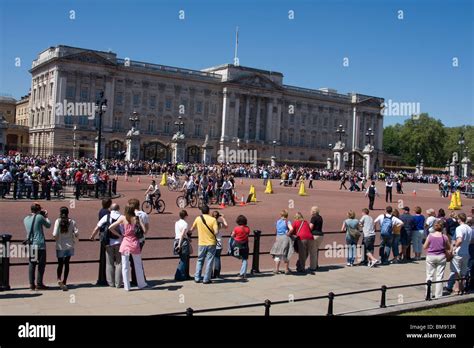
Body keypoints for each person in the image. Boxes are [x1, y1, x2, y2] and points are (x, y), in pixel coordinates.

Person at [108, 204, 148, 291]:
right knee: (138, 265)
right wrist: (140, 221)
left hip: (125, 243)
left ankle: (127, 286)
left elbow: (110, 227)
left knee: (125, 265)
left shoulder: (122, 218)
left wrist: (120, 235)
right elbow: (144, 231)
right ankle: (141, 284)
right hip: (134, 243)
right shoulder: (136, 218)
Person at [90, 203, 122, 288]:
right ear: (118, 209)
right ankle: (118, 283)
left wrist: (92, 236)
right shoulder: (122, 217)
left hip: (108, 242)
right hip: (119, 242)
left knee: (109, 263)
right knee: (119, 263)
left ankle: (111, 283)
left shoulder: (106, 217)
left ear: (110, 209)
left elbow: (97, 227)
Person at [23, 203, 51, 290]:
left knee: (32, 264)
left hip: (31, 244)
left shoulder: (25, 219)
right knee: (41, 265)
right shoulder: (39, 217)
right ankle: (39, 283)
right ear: (38, 210)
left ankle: (31, 284)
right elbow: (48, 225)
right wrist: (46, 216)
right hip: (40, 244)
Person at [444, 213, 473, 295]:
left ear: (459, 219)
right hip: (466, 252)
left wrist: (454, 246)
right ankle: (461, 288)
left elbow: (459, 240)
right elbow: (470, 240)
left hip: (459, 252)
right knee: (463, 273)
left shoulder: (459, 228)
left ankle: (457, 289)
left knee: (456, 272)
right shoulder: (469, 229)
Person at [52, 207, 79, 291]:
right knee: (67, 263)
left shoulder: (58, 221)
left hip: (60, 245)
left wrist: (56, 239)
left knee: (60, 263)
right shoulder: (72, 221)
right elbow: (77, 233)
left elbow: (54, 233)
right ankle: (65, 281)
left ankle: (59, 279)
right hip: (69, 245)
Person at [424, 221, 452, 298]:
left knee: (429, 275)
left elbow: (425, 246)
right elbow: (449, 247)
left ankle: (428, 293)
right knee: (439, 276)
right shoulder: (444, 237)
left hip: (431, 256)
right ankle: (438, 295)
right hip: (441, 256)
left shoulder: (430, 236)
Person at [191, 205, 218, 284]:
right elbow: (216, 232)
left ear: (201, 211)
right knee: (209, 261)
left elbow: (192, 229)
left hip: (201, 243)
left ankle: (197, 277)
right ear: (208, 211)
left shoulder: (198, 218)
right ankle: (206, 279)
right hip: (211, 242)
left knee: (200, 260)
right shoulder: (213, 220)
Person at [270, 210, 294, 275]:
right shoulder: (287, 222)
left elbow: (276, 231)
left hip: (278, 238)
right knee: (285, 254)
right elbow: (291, 229)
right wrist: (288, 234)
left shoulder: (277, 222)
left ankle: (276, 269)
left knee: (278, 254)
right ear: (287, 215)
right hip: (285, 238)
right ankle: (286, 269)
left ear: (281, 215)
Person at [230, 215, 251, 279]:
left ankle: (242, 273)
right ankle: (243, 273)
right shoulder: (247, 228)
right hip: (245, 244)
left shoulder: (236, 228)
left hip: (237, 244)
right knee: (245, 259)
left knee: (235, 254)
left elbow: (232, 236)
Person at [174, 210, 192, 281]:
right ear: (185, 216)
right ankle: (178, 275)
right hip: (182, 242)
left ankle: (184, 275)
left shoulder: (176, 222)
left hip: (176, 240)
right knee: (184, 259)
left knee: (183, 258)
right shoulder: (185, 224)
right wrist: (179, 244)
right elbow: (182, 234)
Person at [211, 211, 228, 279]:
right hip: (218, 242)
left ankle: (210, 273)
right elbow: (226, 226)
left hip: (211, 242)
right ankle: (217, 274)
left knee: (210, 259)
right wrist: (223, 218)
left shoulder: (210, 223)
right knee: (217, 258)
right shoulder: (220, 224)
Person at [309, 206, 324, 271]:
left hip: (314, 235)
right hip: (320, 235)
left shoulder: (313, 218)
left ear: (313, 211)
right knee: (316, 251)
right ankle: (316, 265)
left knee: (313, 252)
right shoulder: (320, 217)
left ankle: (313, 267)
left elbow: (310, 227)